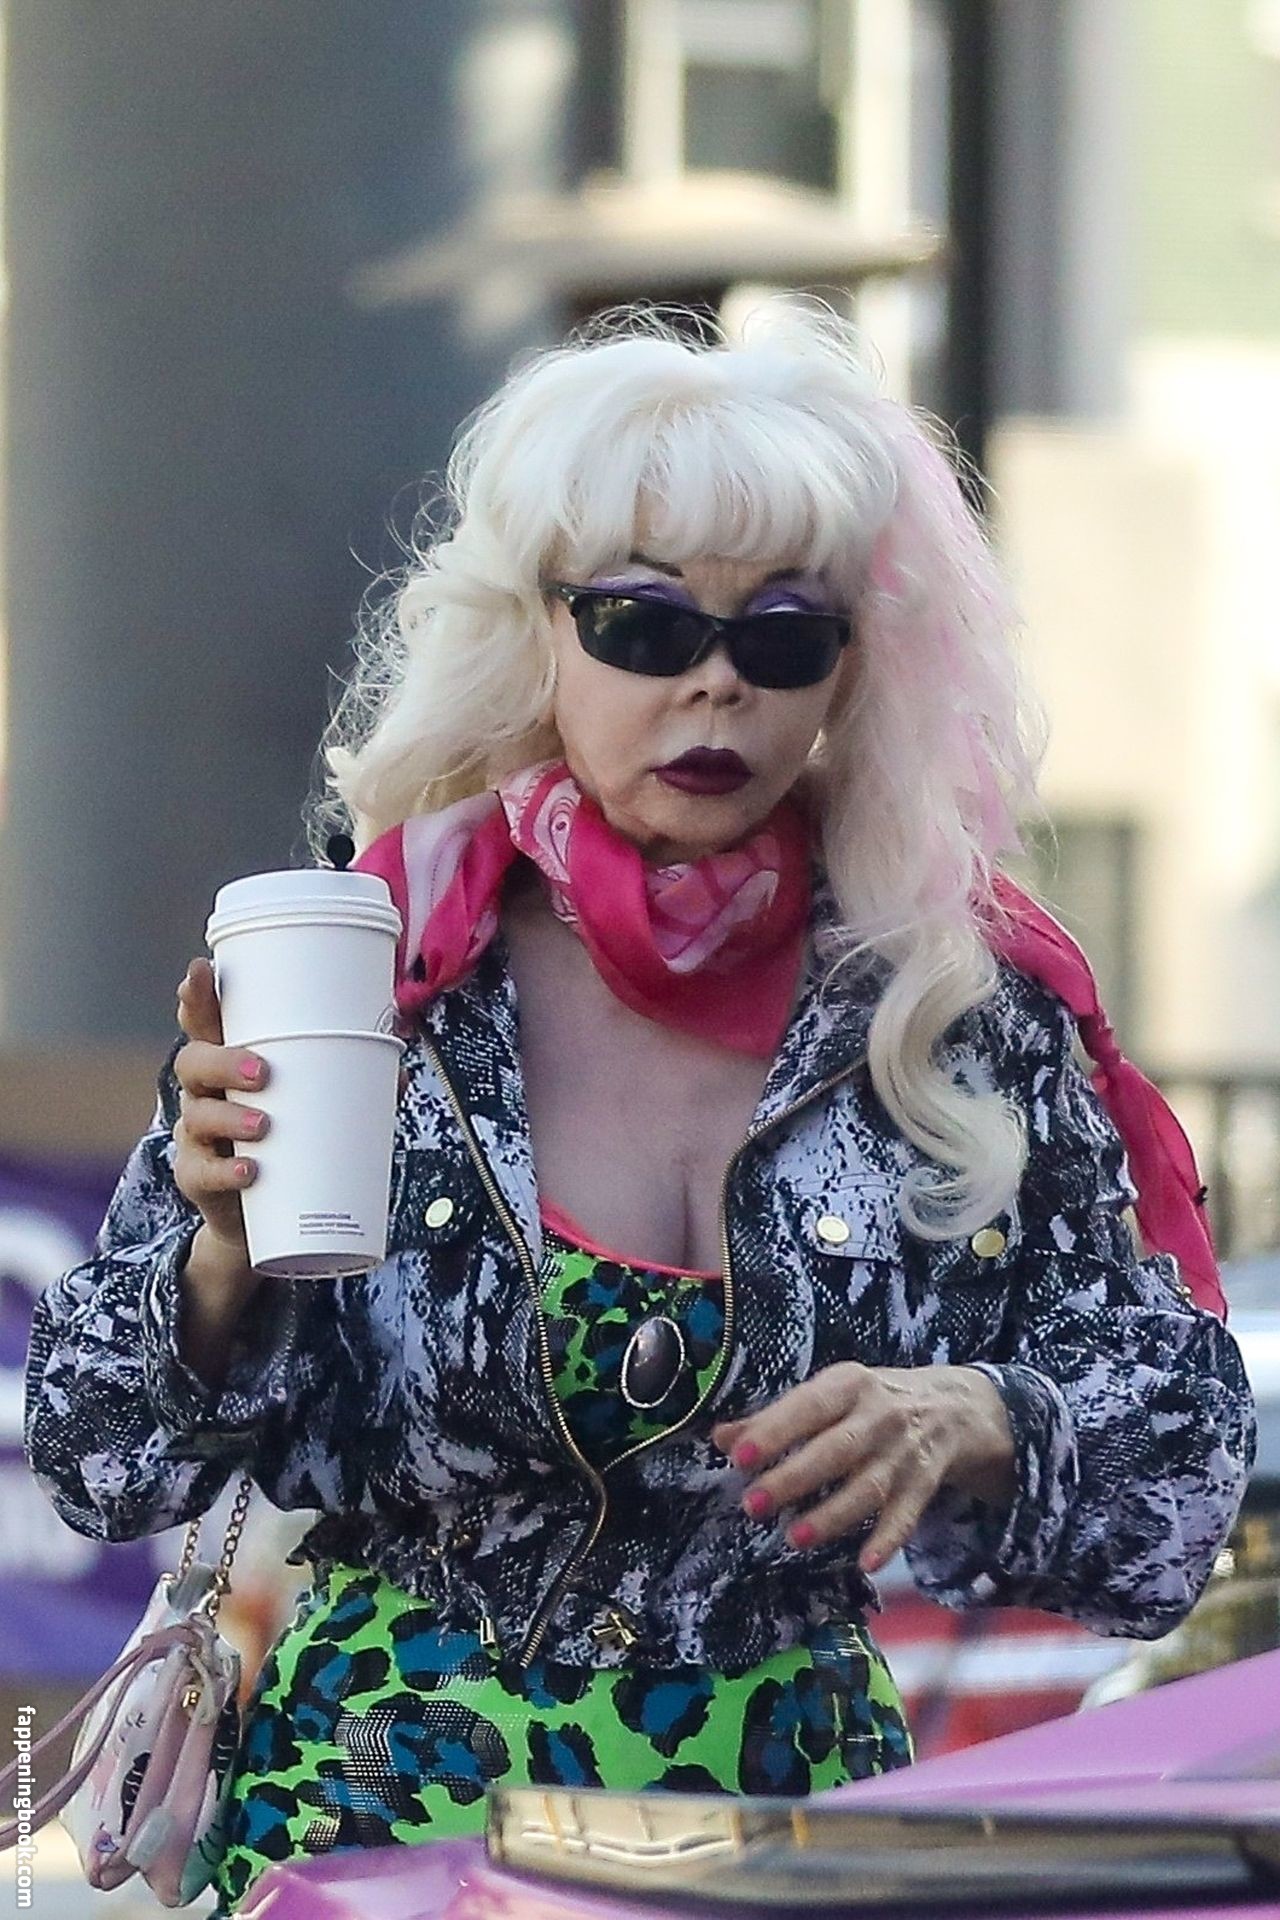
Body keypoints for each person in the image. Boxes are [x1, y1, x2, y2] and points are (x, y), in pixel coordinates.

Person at [25, 302, 1255, 1914]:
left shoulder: (956, 1007)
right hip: (388, 1832)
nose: (719, 687)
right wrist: (212, 1263)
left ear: (852, 667)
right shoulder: (375, 966)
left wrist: (986, 1413)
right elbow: (94, 1461)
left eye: (785, 636)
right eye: (647, 626)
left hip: (790, 1837)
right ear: (535, 633)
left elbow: (1185, 1486)